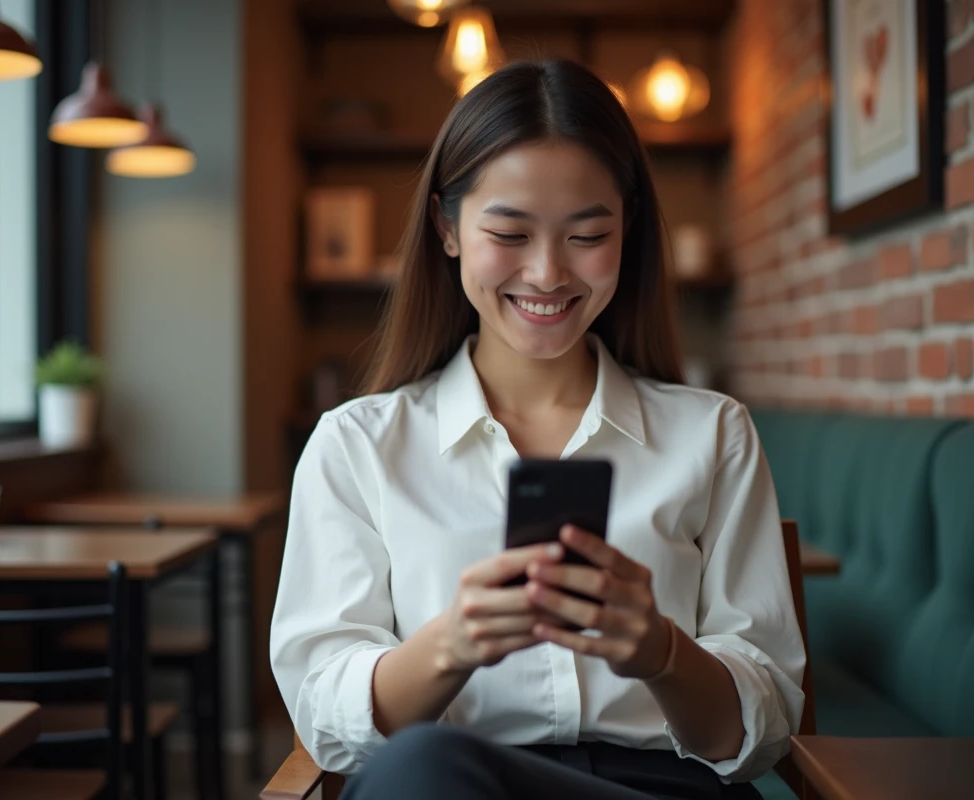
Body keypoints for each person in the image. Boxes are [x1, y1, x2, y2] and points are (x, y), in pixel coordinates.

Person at [269, 59, 805, 800]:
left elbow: (762, 732)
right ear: (447, 227)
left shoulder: (712, 435)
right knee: (423, 768)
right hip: (450, 785)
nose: (549, 274)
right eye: (510, 232)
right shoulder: (358, 445)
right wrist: (451, 644)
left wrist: (660, 651)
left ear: (629, 231)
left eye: (588, 235)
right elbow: (324, 717)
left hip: (660, 788)